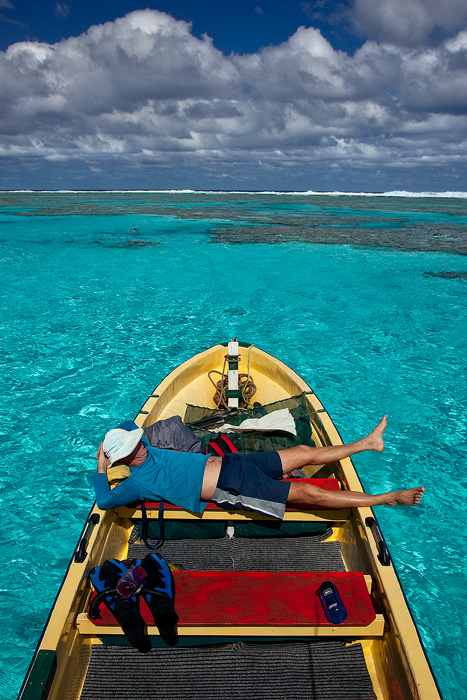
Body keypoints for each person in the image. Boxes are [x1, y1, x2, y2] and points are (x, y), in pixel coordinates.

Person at [93, 415, 424, 520]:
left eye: (135, 440)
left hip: (237, 462)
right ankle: (389, 498)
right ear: (124, 458)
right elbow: (106, 501)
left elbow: (125, 422)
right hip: (235, 488)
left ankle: (367, 444)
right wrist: (101, 464)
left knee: (304, 451)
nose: (139, 442)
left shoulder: (147, 448)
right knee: (309, 492)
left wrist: (109, 444)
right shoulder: (138, 481)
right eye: (131, 445)